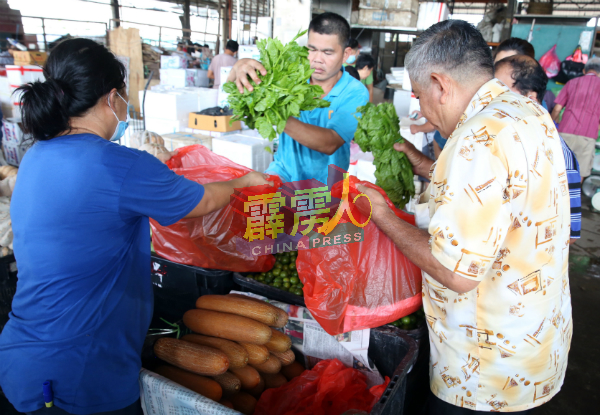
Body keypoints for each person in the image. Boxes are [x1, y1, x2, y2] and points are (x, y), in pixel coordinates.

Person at [0, 38, 270, 415]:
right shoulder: (117, 164)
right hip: (81, 371)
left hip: (25, 354)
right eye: (124, 95)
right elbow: (202, 201)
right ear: (112, 97)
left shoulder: (36, 155)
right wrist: (244, 183)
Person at [356, 20, 571, 414]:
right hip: (534, 349)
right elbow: (491, 197)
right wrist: (418, 160)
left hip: (484, 374)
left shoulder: (477, 138)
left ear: (440, 83)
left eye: (419, 95)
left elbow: (455, 271)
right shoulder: (524, 110)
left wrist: (382, 215)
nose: (420, 108)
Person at [227, 12, 369, 185]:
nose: (317, 59)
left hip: (325, 190)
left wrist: (275, 113)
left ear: (346, 54)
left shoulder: (355, 92)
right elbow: (232, 88)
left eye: (327, 52)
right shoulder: (290, 75)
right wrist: (239, 65)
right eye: (312, 49)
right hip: (281, 175)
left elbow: (330, 143)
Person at [494, 54, 582, 242]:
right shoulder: (496, 140)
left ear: (530, 98)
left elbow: (571, 232)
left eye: (498, 91)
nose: (488, 99)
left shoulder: (560, 155)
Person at [551, 57, 600, 180]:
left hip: (565, 131)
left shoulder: (572, 83)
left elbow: (557, 108)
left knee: (557, 169)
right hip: (588, 136)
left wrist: (551, 124)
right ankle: (573, 198)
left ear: (584, 70)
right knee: (580, 172)